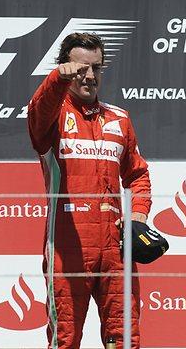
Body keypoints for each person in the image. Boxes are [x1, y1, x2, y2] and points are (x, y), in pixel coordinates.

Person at [27, 32, 151, 349]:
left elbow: (138, 174)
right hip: (67, 247)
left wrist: (137, 218)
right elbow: (40, 109)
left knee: (124, 338)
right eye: (81, 69)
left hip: (115, 250)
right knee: (65, 339)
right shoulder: (51, 117)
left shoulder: (119, 118)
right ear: (66, 67)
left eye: (96, 68)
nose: (90, 76)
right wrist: (56, 79)